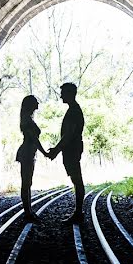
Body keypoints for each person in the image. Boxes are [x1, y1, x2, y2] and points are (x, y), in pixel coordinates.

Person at [46, 82, 85, 223]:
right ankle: (78, 212)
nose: (61, 95)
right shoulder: (74, 109)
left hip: (72, 150)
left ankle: (79, 213)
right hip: (73, 149)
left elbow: (68, 135)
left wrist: (56, 150)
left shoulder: (74, 111)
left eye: (63, 93)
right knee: (76, 180)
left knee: (77, 180)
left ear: (69, 94)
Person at [16, 95, 47, 221]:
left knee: (27, 182)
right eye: (36, 102)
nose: (38, 104)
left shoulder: (27, 119)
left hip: (29, 153)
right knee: (26, 182)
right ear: (31, 105)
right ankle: (27, 213)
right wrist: (45, 152)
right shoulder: (27, 120)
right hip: (27, 153)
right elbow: (34, 139)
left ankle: (28, 211)